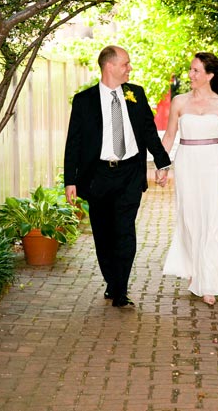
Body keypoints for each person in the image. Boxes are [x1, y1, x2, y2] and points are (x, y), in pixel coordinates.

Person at [64, 45, 171, 308]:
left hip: (129, 174)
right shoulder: (84, 100)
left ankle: (120, 289)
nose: (129, 68)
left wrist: (162, 163)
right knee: (103, 234)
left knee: (125, 231)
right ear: (109, 66)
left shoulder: (136, 93)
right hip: (98, 176)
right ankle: (112, 281)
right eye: (125, 64)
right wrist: (71, 180)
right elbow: (73, 143)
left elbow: (148, 130)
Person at [161, 52, 218, 306]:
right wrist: (163, 166)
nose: (190, 75)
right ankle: (194, 269)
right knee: (189, 217)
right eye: (190, 70)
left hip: (214, 163)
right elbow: (170, 136)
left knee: (212, 219)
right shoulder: (179, 102)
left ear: (209, 75)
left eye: (196, 71)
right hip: (186, 161)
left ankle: (208, 281)